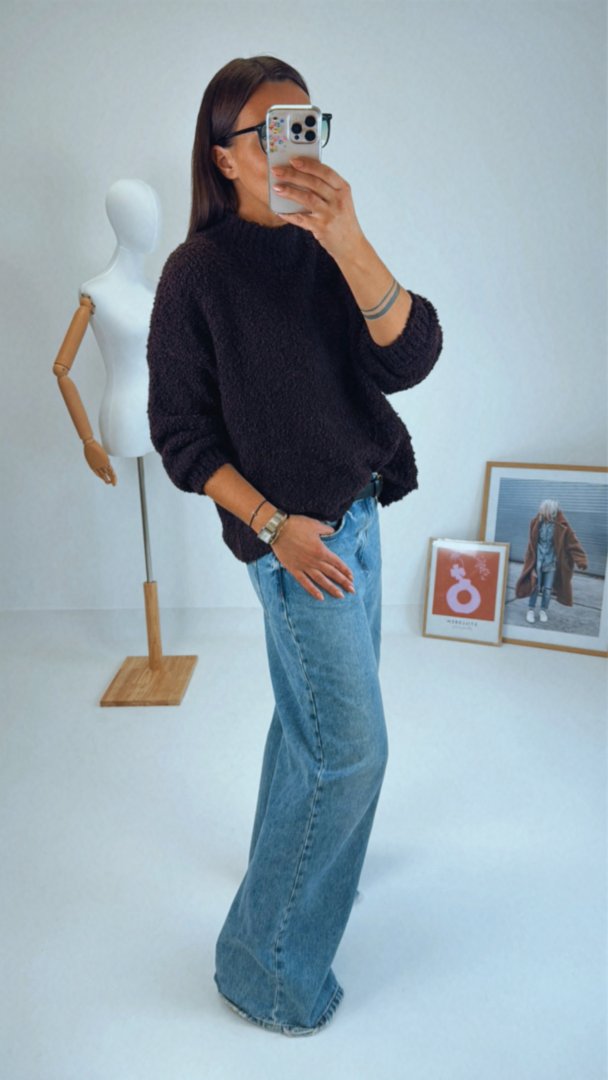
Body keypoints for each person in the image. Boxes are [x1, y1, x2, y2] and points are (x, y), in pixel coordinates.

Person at [146, 55, 444, 1036]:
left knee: (309, 734)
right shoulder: (196, 275)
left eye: (303, 126)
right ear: (224, 158)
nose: (290, 149)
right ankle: (264, 971)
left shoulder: (327, 249)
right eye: (267, 133)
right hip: (296, 543)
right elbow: (182, 436)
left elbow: (409, 358)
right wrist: (276, 530)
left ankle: (289, 886)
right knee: (350, 754)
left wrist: (347, 237)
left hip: (358, 515)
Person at [515, 498, 588, 622]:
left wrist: (581, 560)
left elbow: (573, 543)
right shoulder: (535, 523)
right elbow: (531, 545)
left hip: (552, 564)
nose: (547, 514)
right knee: (534, 586)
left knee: (547, 590)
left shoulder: (561, 525)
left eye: (549, 512)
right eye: (545, 511)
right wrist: (529, 562)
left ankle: (543, 610)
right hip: (537, 562)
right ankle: (531, 610)